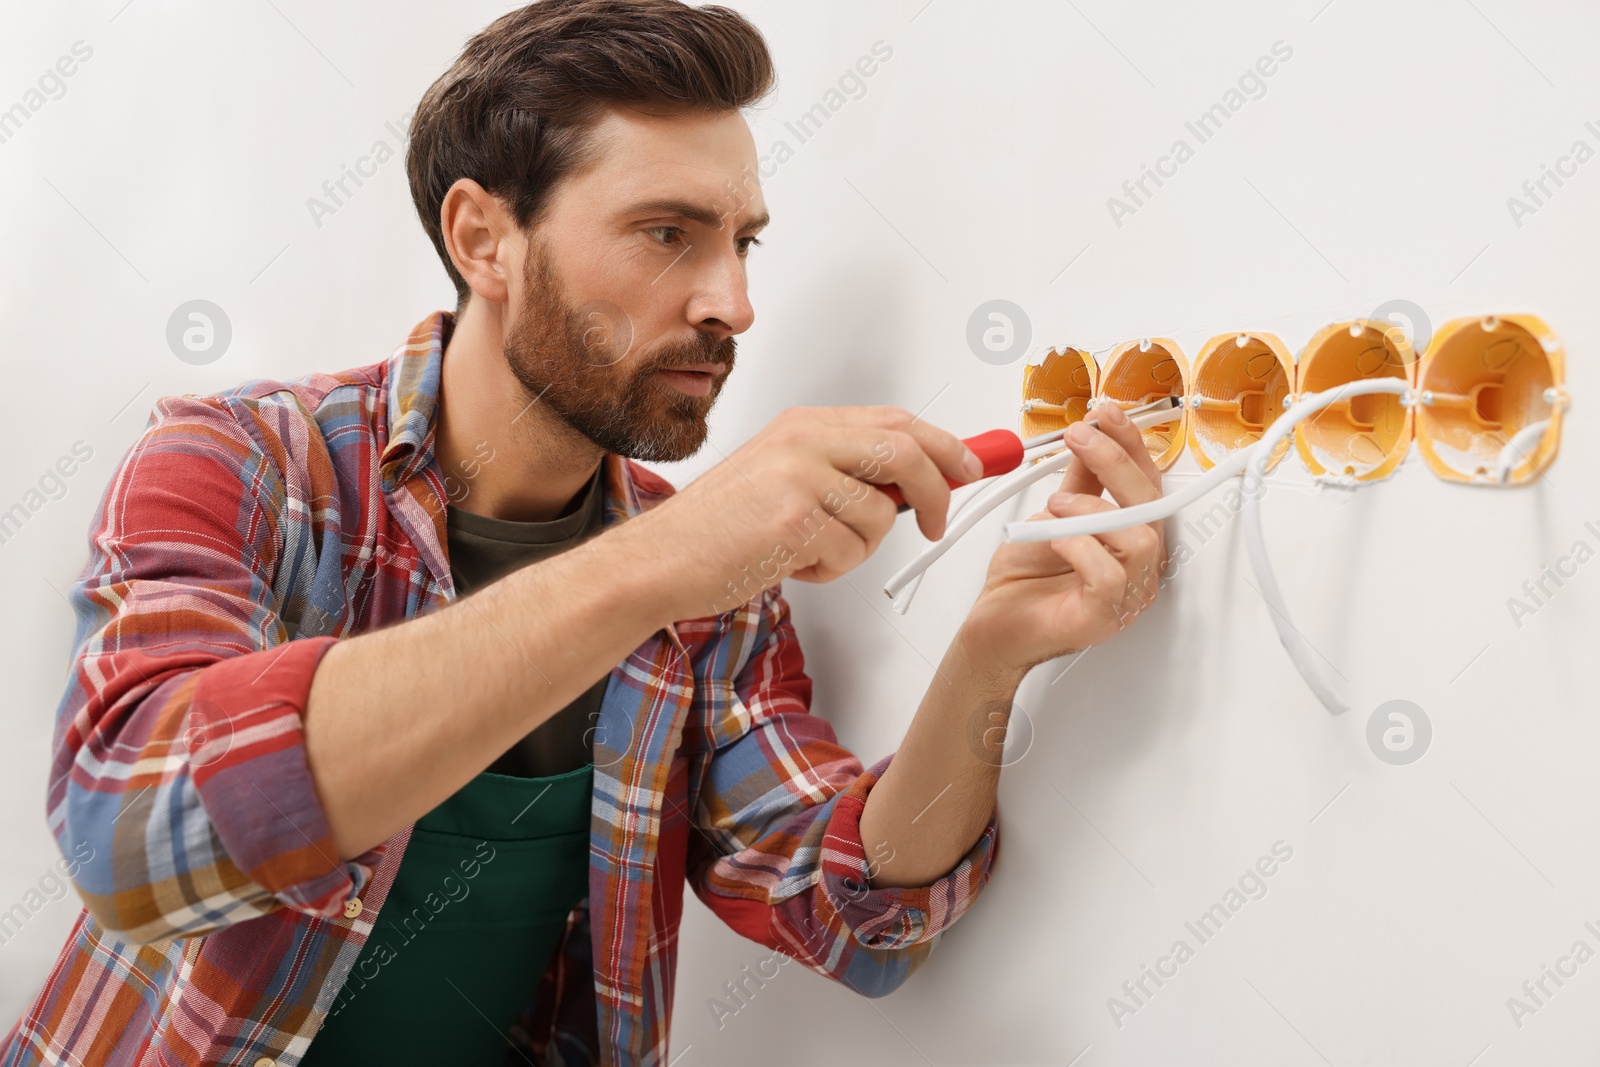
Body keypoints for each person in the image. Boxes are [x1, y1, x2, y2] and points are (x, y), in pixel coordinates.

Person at [0, 1, 1166, 1063]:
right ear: (483, 240)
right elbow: (129, 836)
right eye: (666, 233)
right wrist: (668, 557)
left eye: (742, 240)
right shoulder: (245, 463)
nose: (731, 302)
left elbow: (850, 914)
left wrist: (991, 656)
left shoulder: (718, 586)